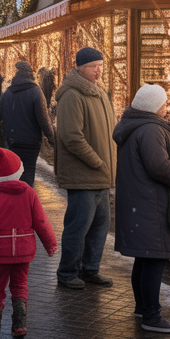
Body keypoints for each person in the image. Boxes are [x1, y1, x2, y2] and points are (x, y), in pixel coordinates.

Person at [113, 83, 170, 334]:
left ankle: (143, 307)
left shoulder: (137, 126)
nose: (167, 107)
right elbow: (159, 167)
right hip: (151, 203)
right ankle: (151, 315)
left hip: (140, 201)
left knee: (144, 258)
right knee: (154, 260)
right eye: (164, 103)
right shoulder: (151, 129)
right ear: (154, 106)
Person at [0, 147, 58, 339]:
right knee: (20, 284)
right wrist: (50, 243)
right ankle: (20, 323)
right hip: (24, 250)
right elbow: (41, 222)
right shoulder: (29, 193)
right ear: (18, 172)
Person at [54, 46, 117, 290]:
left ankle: (90, 269)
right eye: (93, 66)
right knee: (78, 227)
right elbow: (72, 137)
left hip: (100, 175)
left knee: (99, 227)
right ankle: (67, 272)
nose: (98, 70)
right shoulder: (73, 95)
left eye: (101, 65)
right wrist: (98, 161)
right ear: (80, 67)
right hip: (84, 175)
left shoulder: (98, 92)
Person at [0, 60, 54, 185]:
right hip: (31, 142)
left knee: (16, 172)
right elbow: (43, 118)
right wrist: (51, 138)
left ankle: (16, 200)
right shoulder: (36, 91)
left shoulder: (8, 92)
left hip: (12, 140)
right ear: (30, 74)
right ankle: (26, 200)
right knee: (28, 172)